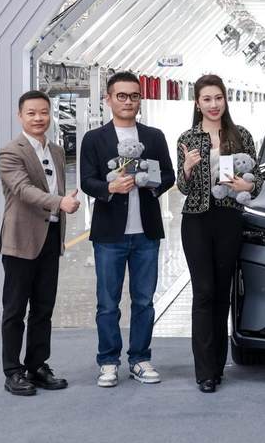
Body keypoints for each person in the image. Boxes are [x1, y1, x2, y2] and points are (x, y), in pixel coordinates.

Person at [79, 72, 175, 388]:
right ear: (108, 99)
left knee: (144, 301)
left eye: (134, 96)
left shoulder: (154, 136)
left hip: (146, 232)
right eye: (121, 95)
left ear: (139, 100)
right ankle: (108, 361)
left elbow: (169, 175)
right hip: (109, 234)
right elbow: (86, 180)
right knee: (107, 303)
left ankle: (140, 359)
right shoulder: (94, 139)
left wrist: (151, 183)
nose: (128, 101)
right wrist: (109, 187)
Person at [176, 74, 264, 393]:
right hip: (196, 220)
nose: (213, 105)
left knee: (223, 292)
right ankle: (204, 372)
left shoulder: (240, 136)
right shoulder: (187, 138)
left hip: (229, 219)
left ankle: (217, 365)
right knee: (203, 292)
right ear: (197, 103)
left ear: (225, 100)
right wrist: (187, 168)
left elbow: (258, 179)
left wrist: (246, 185)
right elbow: (182, 187)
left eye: (218, 98)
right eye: (207, 99)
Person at [0, 90, 81, 396]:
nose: (38, 118)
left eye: (44, 112)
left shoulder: (56, 151)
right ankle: (13, 371)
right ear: (20, 116)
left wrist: (61, 202)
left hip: (50, 238)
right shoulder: (11, 152)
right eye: (31, 113)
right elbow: (23, 190)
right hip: (21, 241)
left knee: (43, 308)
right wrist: (60, 202)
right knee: (15, 310)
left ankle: (37, 365)